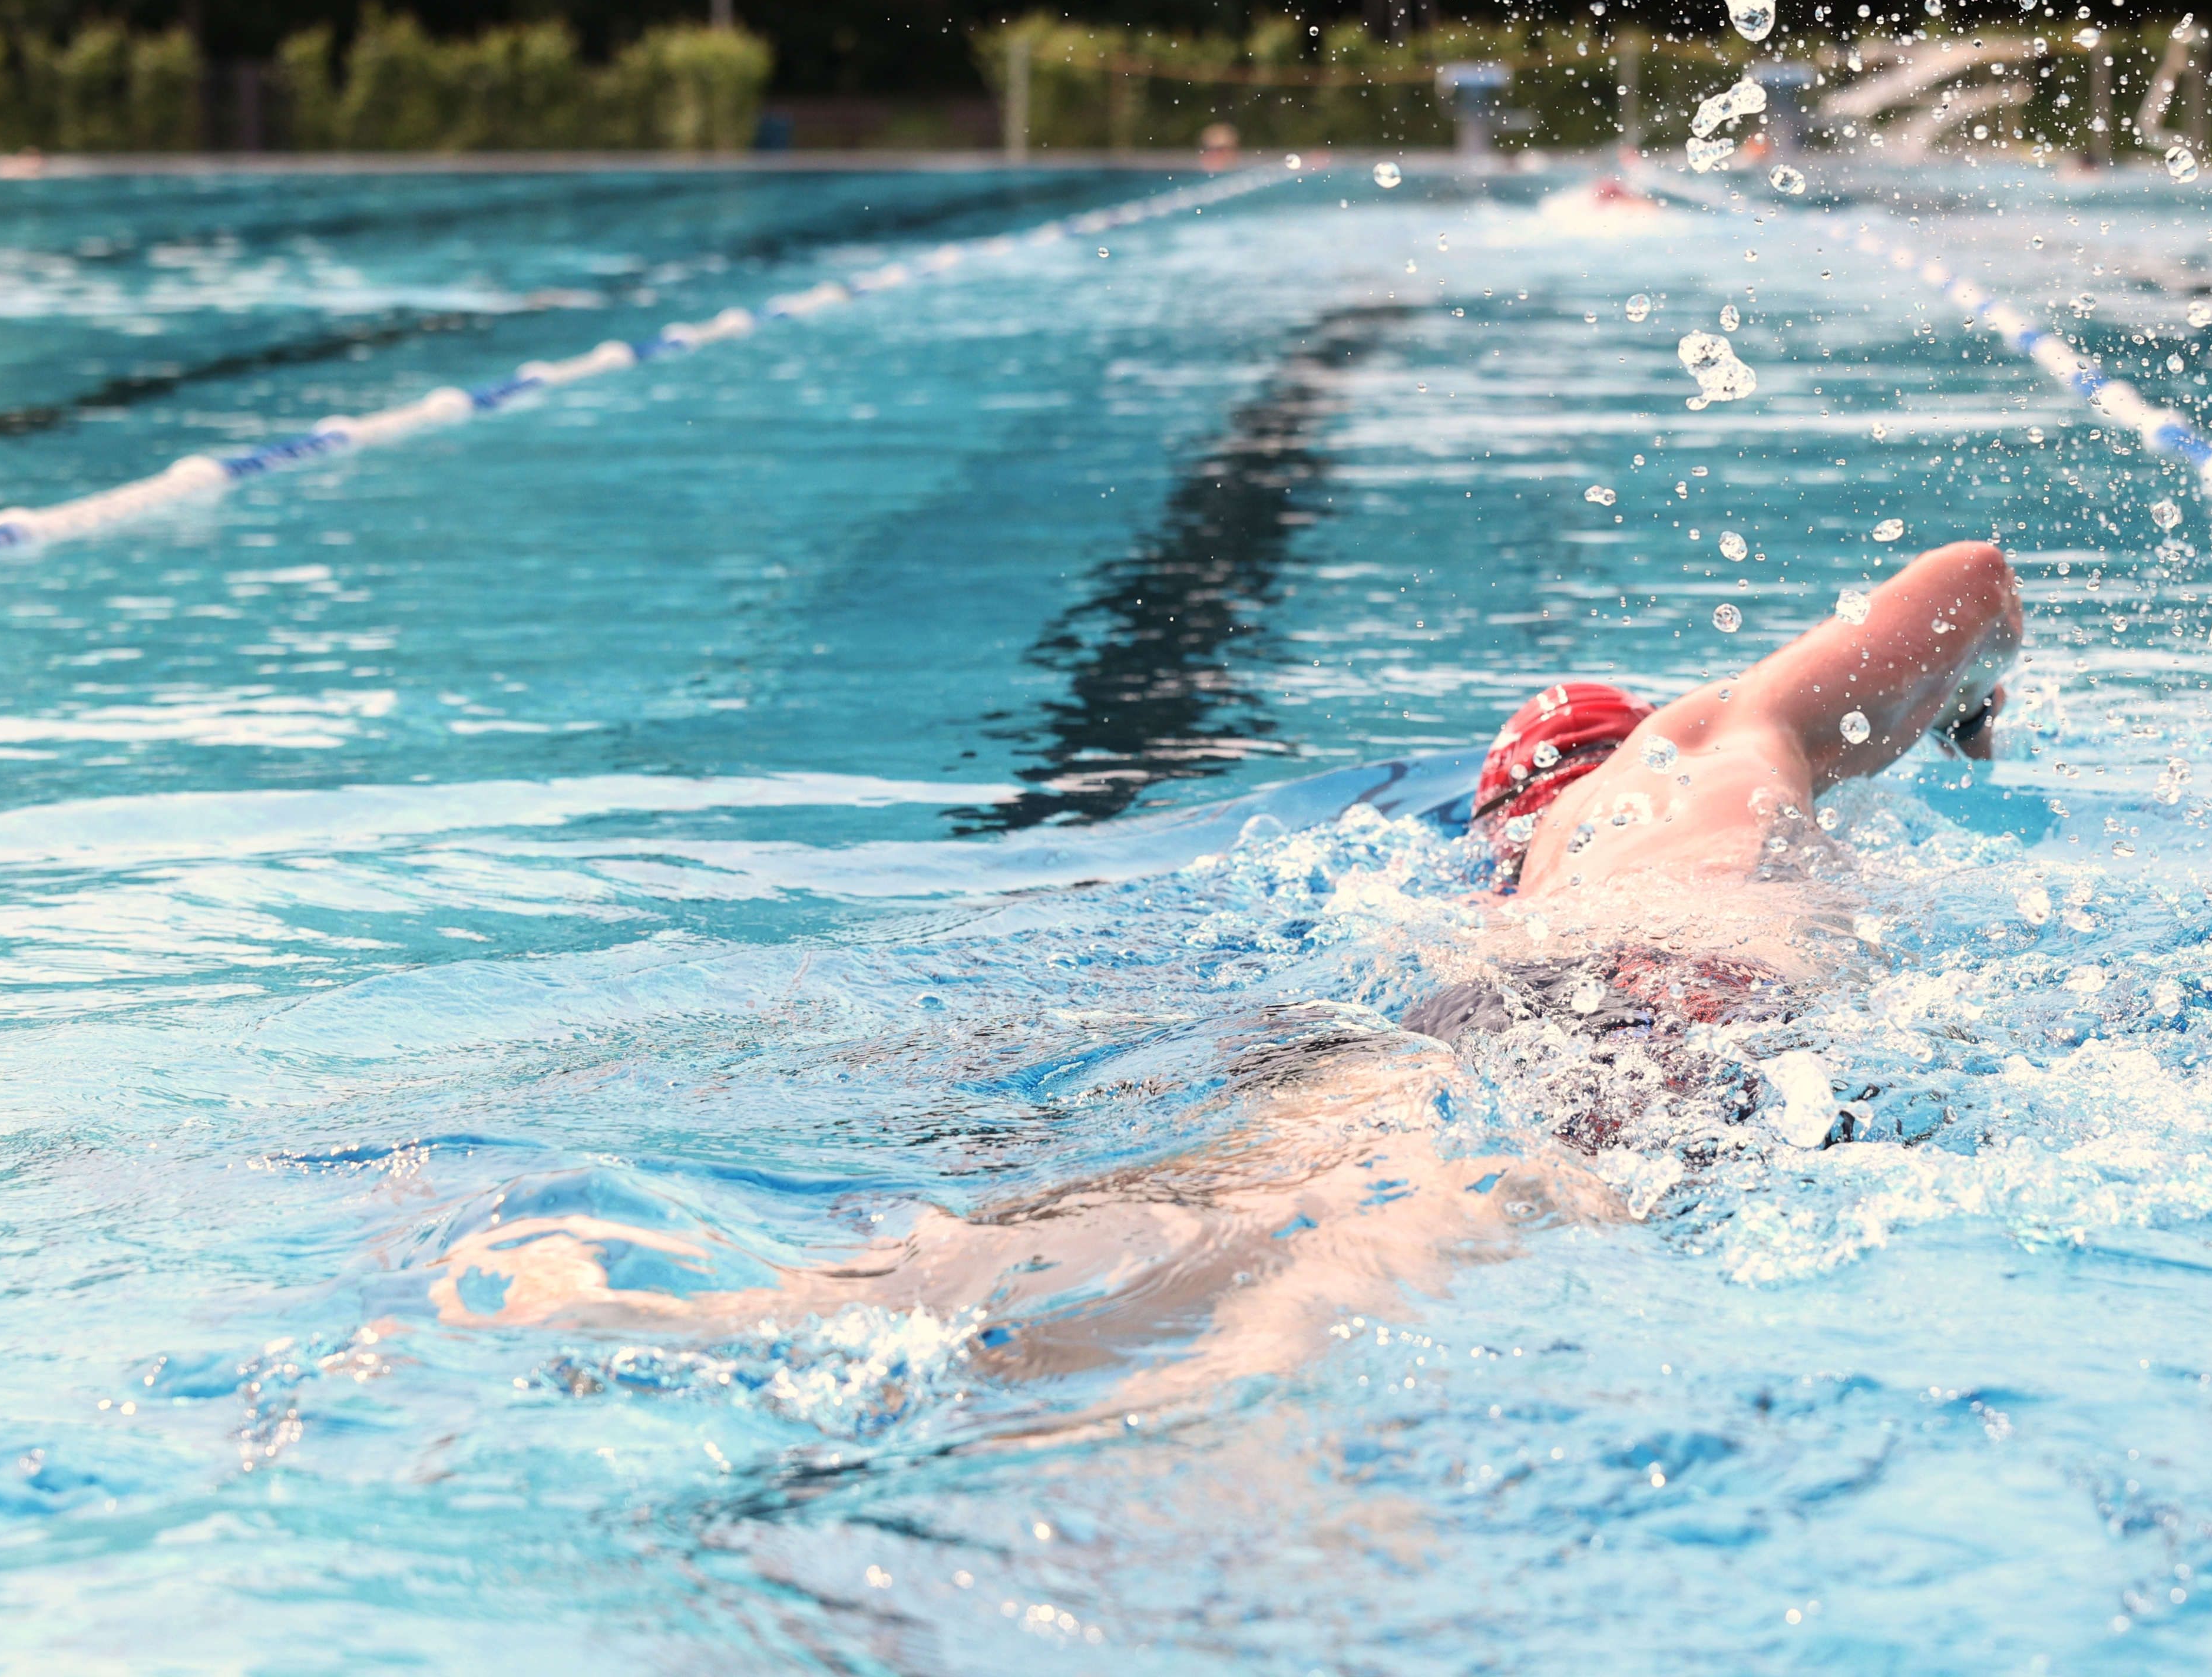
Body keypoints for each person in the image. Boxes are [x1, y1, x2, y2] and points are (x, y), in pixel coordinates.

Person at [415, 540, 2029, 1404]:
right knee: (1360, 1265)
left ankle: (702, 1298)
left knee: (1234, 1198)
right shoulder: (1727, 738)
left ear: (1502, 822)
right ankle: (1214, 1473)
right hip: (1664, 1011)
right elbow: (1973, 580)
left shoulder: (1535, 865)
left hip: (1463, 1021)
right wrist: (1970, 701)